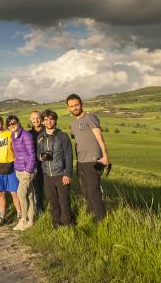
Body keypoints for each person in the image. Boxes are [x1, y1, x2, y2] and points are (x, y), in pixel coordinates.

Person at [67, 94, 109, 222]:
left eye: (76, 105)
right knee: (85, 192)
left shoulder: (90, 117)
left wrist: (105, 157)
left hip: (93, 160)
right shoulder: (73, 124)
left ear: (81, 104)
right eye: (71, 106)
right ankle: (92, 215)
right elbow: (78, 141)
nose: (74, 108)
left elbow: (100, 138)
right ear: (68, 108)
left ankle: (101, 220)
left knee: (94, 192)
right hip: (81, 162)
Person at [37, 109, 73, 227]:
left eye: (51, 119)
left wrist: (67, 174)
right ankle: (56, 223)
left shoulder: (62, 136)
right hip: (47, 175)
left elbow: (69, 156)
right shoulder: (40, 137)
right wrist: (41, 157)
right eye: (46, 119)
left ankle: (67, 224)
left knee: (64, 201)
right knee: (52, 201)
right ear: (43, 121)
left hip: (60, 174)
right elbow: (38, 154)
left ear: (55, 120)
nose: (49, 122)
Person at [0, 114, 22, 226]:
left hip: (11, 165)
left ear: (1, 121)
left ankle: (20, 214)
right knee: (0, 193)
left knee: (14, 192)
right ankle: (2, 215)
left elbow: (16, 148)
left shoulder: (10, 133)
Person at [7, 115, 36, 231]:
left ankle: (23, 220)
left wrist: (28, 171)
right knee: (29, 194)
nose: (12, 125)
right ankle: (31, 220)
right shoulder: (13, 135)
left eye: (14, 123)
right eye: (9, 124)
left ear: (18, 122)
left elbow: (31, 155)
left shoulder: (26, 135)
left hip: (27, 170)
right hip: (19, 168)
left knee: (20, 193)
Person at [29, 111, 45, 213]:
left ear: (42, 118)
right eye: (33, 118)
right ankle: (40, 209)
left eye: (38, 118)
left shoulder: (47, 131)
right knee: (37, 188)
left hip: (48, 163)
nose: (36, 120)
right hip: (35, 164)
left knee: (50, 188)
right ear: (31, 120)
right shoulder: (28, 134)